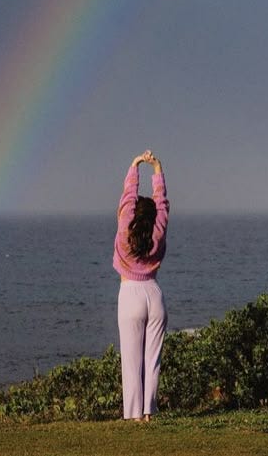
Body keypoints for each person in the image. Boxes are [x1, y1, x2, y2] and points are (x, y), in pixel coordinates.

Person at [113, 149, 169, 421]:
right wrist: (157, 168)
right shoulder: (158, 230)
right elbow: (163, 202)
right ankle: (149, 413)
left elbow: (127, 199)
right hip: (154, 294)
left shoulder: (125, 229)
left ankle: (134, 415)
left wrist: (134, 164)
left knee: (132, 360)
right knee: (152, 359)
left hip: (130, 294)